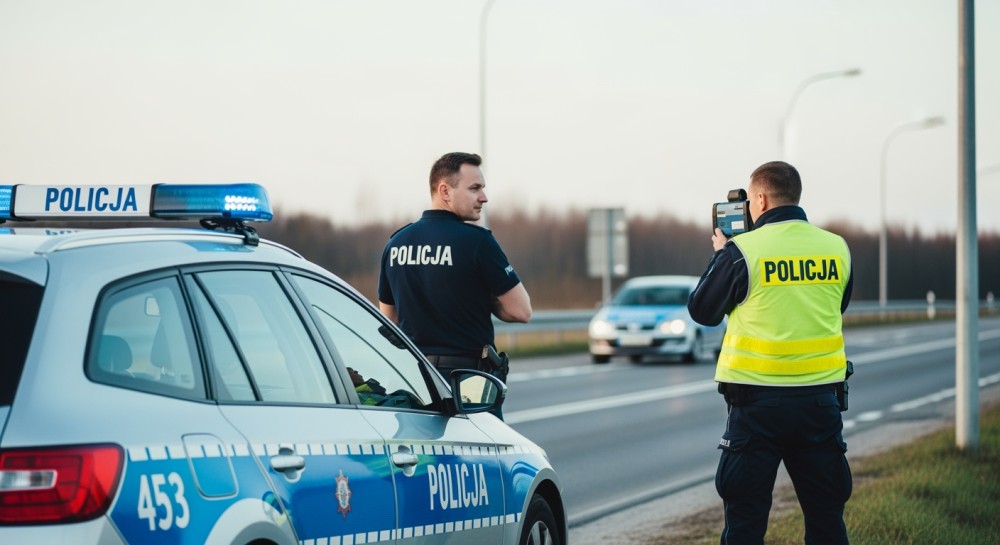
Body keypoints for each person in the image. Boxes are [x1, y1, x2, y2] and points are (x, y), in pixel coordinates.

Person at [687, 161, 854, 545]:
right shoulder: (837, 248)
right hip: (820, 406)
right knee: (827, 521)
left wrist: (721, 254)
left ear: (759, 199)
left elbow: (703, 311)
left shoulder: (742, 251)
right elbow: (837, 304)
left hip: (755, 410)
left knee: (745, 525)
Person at [377, 152, 531, 417]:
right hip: (468, 385)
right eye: (475, 188)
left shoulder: (395, 244)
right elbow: (521, 311)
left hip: (414, 382)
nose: (484, 197)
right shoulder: (478, 242)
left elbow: (389, 321)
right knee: (480, 457)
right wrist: (484, 296)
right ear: (445, 191)